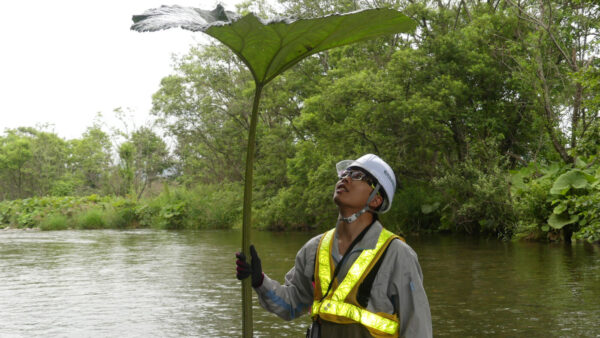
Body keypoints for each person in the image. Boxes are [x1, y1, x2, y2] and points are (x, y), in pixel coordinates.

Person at [236, 154, 432, 337]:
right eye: (345, 173)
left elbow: (417, 327)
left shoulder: (397, 254)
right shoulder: (314, 248)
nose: (345, 178)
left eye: (358, 176)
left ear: (377, 199)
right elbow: (291, 305)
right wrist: (259, 281)